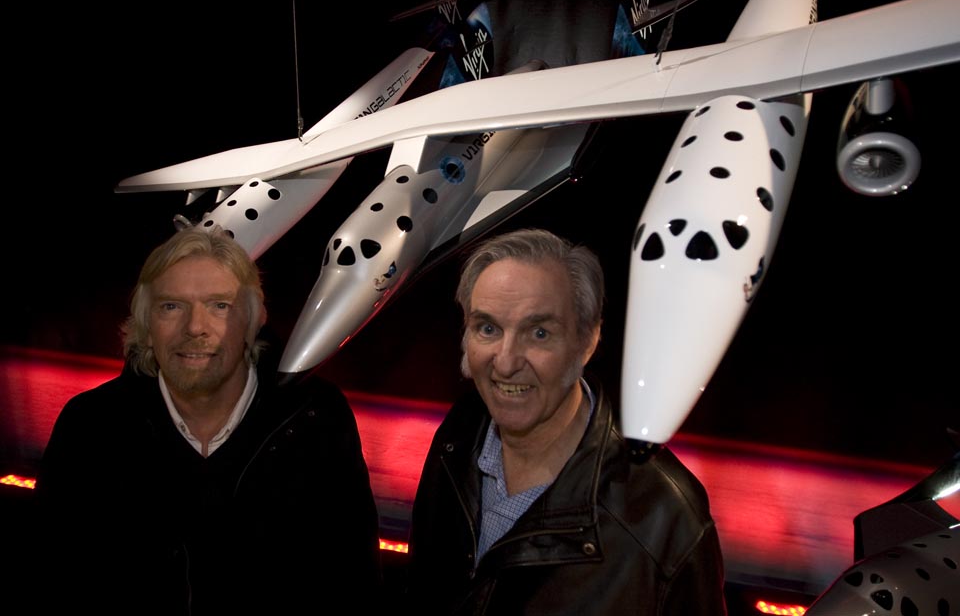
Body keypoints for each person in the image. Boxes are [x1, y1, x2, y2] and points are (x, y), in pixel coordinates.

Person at [31, 226, 382, 615]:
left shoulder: (318, 419)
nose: (195, 327)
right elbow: (52, 584)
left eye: (220, 306)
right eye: (171, 306)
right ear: (145, 328)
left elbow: (355, 591)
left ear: (254, 320)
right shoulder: (91, 427)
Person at [405, 227, 727, 615]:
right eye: (488, 328)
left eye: (539, 333)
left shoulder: (664, 518)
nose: (505, 362)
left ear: (586, 341)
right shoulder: (458, 438)